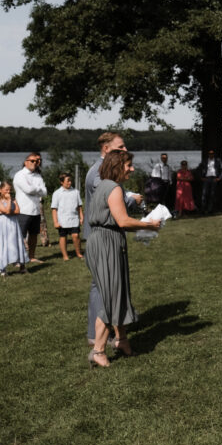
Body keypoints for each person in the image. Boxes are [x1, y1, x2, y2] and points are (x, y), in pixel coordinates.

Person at [85, 150, 161, 367]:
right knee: (110, 296)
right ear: (118, 165)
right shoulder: (114, 188)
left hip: (105, 241)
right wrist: (150, 225)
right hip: (106, 243)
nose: (132, 169)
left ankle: (122, 340)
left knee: (119, 291)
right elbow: (123, 221)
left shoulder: (103, 186)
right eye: (128, 165)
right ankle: (98, 351)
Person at [84, 132, 143, 348]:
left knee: (106, 286)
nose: (125, 151)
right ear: (107, 149)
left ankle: (117, 337)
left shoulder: (103, 172)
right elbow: (111, 200)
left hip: (106, 234)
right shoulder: (100, 174)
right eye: (120, 148)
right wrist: (131, 200)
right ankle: (98, 339)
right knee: (104, 287)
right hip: (102, 236)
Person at [13, 152, 47, 263]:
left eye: (36, 161)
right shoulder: (19, 175)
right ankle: (17, 259)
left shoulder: (38, 176)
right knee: (20, 236)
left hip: (35, 210)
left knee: (33, 235)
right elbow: (28, 190)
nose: (35, 163)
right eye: (32, 161)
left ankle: (31, 257)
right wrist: (38, 189)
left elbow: (45, 192)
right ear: (25, 162)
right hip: (23, 210)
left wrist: (35, 189)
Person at [0, 180, 28, 277]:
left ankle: (21, 266)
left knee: (17, 243)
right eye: (6, 190)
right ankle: (2, 268)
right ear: (0, 190)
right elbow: (7, 211)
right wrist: (8, 202)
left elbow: (17, 211)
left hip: (13, 225)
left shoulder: (14, 200)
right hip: (3, 226)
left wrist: (8, 210)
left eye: (10, 190)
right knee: (3, 245)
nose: (8, 192)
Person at [51, 173, 84, 260]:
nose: (70, 182)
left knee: (76, 235)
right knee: (63, 237)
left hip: (74, 219)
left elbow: (79, 206)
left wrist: (81, 217)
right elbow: (54, 209)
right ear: (62, 182)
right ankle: (65, 255)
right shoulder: (57, 193)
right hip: (62, 220)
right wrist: (55, 222)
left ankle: (79, 253)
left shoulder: (76, 192)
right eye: (67, 181)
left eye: (70, 180)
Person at [198, 149, 222, 214]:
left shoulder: (217, 161)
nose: (211, 155)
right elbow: (199, 169)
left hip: (214, 178)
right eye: (210, 153)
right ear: (208, 154)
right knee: (204, 194)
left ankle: (210, 209)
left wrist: (219, 178)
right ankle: (203, 209)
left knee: (212, 195)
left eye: (212, 153)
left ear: (214, 154)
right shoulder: (205, 161)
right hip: (206, 178)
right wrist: (201, 177)